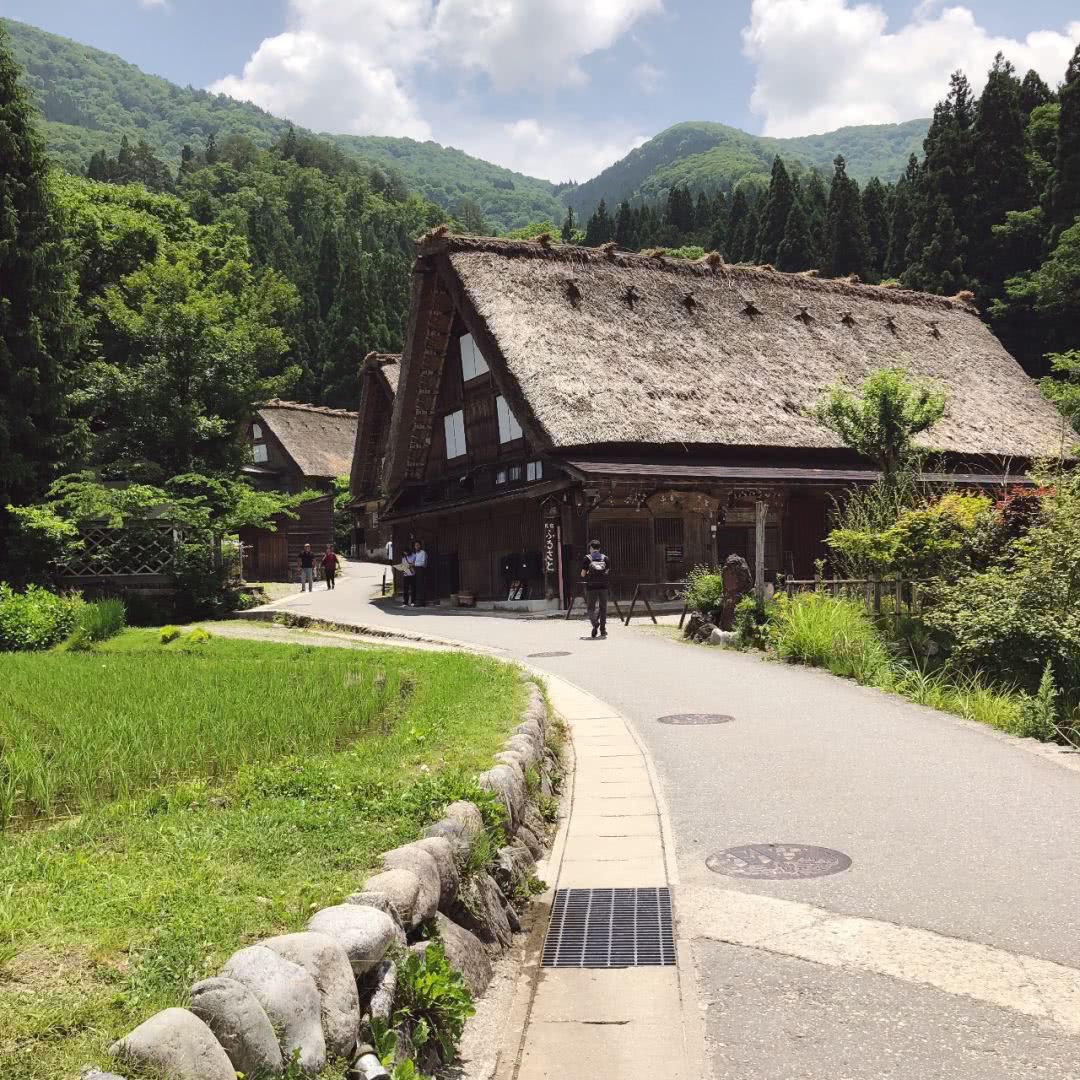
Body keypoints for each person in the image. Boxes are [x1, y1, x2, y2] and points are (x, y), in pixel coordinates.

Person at [581, 539, 611, 638]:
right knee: (603, 608)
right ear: (599, 548)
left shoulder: (587, 558)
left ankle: (595, 623)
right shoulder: (605, 558)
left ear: (591, 548)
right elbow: (607, 572)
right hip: (603, 587)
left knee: (591, 608)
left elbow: (583, 574)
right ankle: (603, 630)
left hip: (591, 587)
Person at [410, 540, 428, 607]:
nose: (416, 547)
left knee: (421, 585)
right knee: (416, 585)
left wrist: (414, 564)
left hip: (421, 570)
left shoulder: (423, 552)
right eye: (415, 545)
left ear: (420, 546)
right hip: (416, 570)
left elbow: (423, 563)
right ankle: (417, 601)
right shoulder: (416, 554)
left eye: (417, 545)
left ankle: (422, 602)